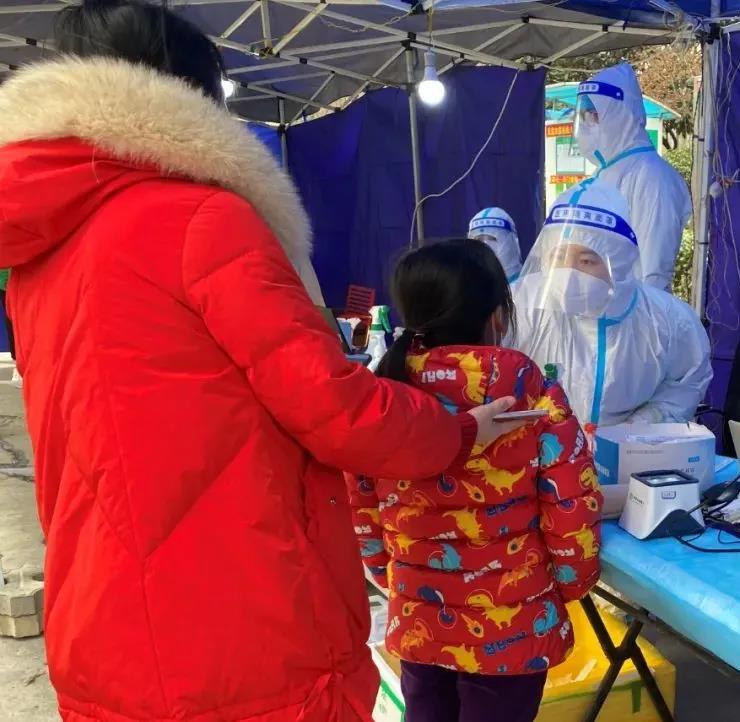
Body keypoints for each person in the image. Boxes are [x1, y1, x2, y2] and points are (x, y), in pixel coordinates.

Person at [0, 2, 522, 720]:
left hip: (102, 619)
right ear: (191, 102)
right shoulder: (199, 219)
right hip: (238, 624)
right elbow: (336, 411)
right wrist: (457, 430)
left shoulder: (43, 246)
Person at [351, 239, 601, 722]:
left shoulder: (383, 397)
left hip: (420, 615)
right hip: (511, 628)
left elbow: (361, 505)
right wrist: (570, 585)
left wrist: (392, 579)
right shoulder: (533, 395)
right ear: (498, 317)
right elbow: (573, 505)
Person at [511, 178, 712, 428]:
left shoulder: (667, 321)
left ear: (618, 263)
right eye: (559, 256)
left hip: (630, 448)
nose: (569, 275)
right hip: (538, 446)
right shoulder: (519, 307)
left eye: (586, 261)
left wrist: (645, 422)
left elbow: (688, 380)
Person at [572, 62, 691, 292]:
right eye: (584, 117)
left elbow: (653, 273)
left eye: (594, 116)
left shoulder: (652, 176)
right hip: (601, 307)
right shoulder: (604, 173)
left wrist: (640, 314)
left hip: (632, 311)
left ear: (622, 115)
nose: (587, 125)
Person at [467, 207, 522, 282]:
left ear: (509, 244)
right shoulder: (468, 286)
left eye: (491, 240)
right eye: (478, 241)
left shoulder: (530, 286)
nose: (484, 248)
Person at [0, 268, 19, 388]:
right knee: (11, 322)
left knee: (14, 322)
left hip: (11, 279)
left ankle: (19, 366)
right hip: (4, 280)